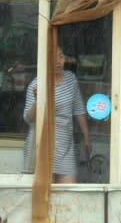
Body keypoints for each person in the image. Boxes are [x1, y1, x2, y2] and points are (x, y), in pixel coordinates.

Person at [22, 46, 91, 183]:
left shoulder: (71, 79)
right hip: (41, 145)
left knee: (68, 194)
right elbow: (28, 119)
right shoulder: (36, 84)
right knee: (45, 197)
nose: (58, 61)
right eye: (52, 57)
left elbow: (78, 109)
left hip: (65, 146)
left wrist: (86, 137)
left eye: (60, 56)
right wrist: (38, 101)